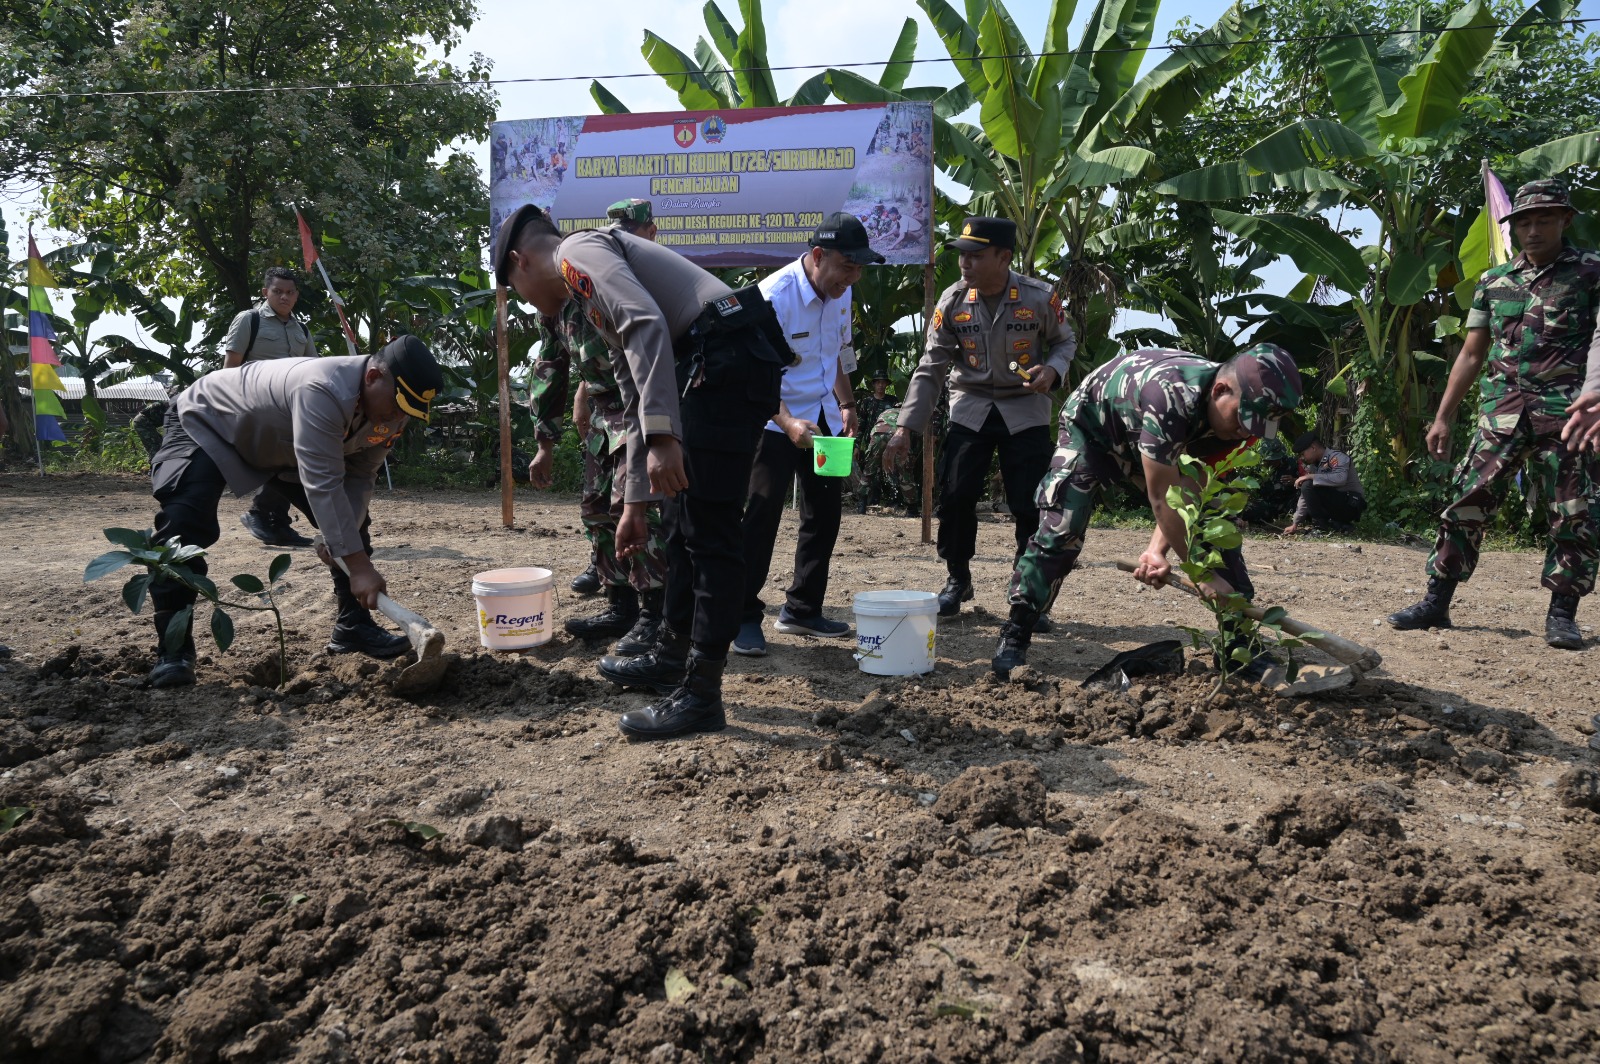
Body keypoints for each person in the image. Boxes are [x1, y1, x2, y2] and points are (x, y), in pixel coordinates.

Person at [495, 205, 791, 739]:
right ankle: (672, 658)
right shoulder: (586, 291)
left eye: (513, 287)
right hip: (707, 365)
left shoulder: (575, 253)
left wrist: (662, 438)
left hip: (723, 361)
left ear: (519, 260)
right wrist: (636, 502)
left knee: (710, 531)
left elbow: (646, 323)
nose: (524, 300)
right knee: (678, 527)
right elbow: (633, 387)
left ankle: (702, 695)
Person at [141, 338, 443, 688]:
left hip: (280, 442)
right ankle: (173, 651)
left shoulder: (391, 412)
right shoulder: (323, 388)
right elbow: (324, 482)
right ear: (373, 376)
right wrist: (357, 565)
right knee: (184, 524)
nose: (399, 417)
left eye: (409, 410)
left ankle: (353, 629)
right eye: (397, 405)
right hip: (210, 422)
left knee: (351, 527)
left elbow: (360, 477)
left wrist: (342, 541)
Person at [991, 344, 1303, 676]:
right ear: (1220, 390)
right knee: (1063, 527)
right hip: (1094, 427)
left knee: (1214, 528)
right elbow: (1163, 498)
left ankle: (1238, 648)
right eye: (1242, 420)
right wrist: (1202, 575)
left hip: (1157, 441)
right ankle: (1016, 632)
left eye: (1255, 425)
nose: (1246, 432)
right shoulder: (1171, 396)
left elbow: (1192, 488)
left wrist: (1157, 552)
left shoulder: (1244, 421)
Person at [1389, 179, 1600, 649]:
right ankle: (1435, 602)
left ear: (1565, 219)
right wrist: (1443, 416)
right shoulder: (1494, 282)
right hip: (1501, 412)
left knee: (1573, 511)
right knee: (1467, 500)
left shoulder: (1590, 272)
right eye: (1524, 221)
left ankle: (1562, 614)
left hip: (1567, 413)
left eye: (1544, 218)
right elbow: (1470, 354)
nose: (1533, 229)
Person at [883, 216, 1077, 618]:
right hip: (970, 406)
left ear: (1004, 257)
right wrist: (905, 428)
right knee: (955, 497)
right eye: (962, 256)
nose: (964, 264)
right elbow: (931, 365)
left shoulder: (1039, 297)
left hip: (1024, 408)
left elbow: (1064, 341)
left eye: (975, 255)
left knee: (1029, 503)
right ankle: (958, 578)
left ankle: (1028, 589)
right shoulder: (953, 301)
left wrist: (1054, 370)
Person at [733, 213, 883, 656]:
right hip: (773, 422)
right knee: (760, 518)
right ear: (818, 256)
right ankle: (741, 615)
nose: (852, 278)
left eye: (859, 269)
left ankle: (802, 608)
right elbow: (751, 377)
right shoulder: (773, 297)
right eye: (846, 267)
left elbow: (834, 351)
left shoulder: (843, 291)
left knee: (824, 514)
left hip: (825, 421)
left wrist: (847, 403)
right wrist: (787, 422)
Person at [527, 200, 669, 654]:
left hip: (640, 408)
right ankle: (620, 605)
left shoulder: (643, 280)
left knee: (640, 509)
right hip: (601, 418)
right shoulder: (567, 288)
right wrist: (544, 442)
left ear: (648, 232)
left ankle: (655, 616)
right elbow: (550, 365)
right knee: (597, 509)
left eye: (631, 231)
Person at [222, 267, 317, 548]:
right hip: (256, 405)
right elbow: (230, 368)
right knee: (284, 462)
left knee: (297, 462)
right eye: (277, 291)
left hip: (290, 408)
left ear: (296, 295)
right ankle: (260, 514)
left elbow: (312, 368)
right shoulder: (249, 320)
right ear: (266, 293)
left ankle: (278, 523)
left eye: (289, 292)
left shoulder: (301, 329)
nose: (284, 297)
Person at [1282, 431, 1365, 534]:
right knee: (1307, 486)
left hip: (1350, 505)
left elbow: (1340, 478)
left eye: (1303, 454)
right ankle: (1339, 525)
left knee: (1308, 484)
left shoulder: (1336, 457)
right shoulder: (1314, 466)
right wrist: (1295, 524)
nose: (1302, 458)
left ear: (1313, 447)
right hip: (1335, 504)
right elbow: (1305, 495)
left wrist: (1311, 476)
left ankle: (1319, 528)